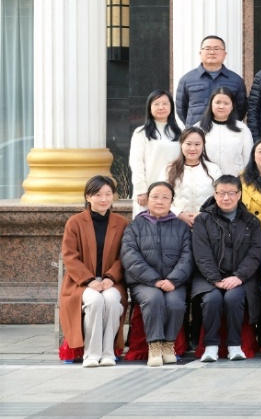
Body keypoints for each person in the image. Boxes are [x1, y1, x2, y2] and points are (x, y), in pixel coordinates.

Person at [191, 175, 261, 363]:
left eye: (231, 193)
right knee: (212, 299)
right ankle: (211, 346)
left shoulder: (251, 222)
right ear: (214, 195)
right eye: (221, 193)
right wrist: (215, 279)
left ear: (239, 194)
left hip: (240, 278)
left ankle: (234, 345)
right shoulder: (203, 220)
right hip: (208, 277)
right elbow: (201, 254)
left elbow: (254, 254)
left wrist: (239, 276)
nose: (226, 198)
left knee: (233, 298)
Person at [121, 181, 193, 367]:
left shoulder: (181, 227)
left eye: (165, 197)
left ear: (172, 201)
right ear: (147, 199)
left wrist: (173, 280)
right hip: (143, 282)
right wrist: (154, 280)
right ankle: (154, 346)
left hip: (174, 282)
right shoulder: (135, 226)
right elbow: (130, 257)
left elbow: (188, 257)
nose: (160, 201)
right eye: (155, 197)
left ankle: (168, 345)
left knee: (176, 303)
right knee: (153, 299)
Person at [59, 176, 128, 367]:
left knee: (112, 301)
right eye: (98, 195)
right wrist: (89, 280)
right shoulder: (75, 222)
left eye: (108, 194)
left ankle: (108, 353)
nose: (104, 199)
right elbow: (70, 256)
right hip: (80, 283)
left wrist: (111, 277)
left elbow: (125, 256)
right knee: (95, 301)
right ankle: (91, 354)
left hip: (111, 282)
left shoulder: (121, 223)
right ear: (88, 197)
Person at [130, 90, 182, 216]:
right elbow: (136, 163)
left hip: (174, 192)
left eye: (165, 104)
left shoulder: (180, 132)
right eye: (156, 104)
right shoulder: (141, 133)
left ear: (171, 107)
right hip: (148, 192)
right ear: (149, 107)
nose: (161, 107)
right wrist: (141, 190)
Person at [175, 35, 247, 126]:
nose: (212, 52)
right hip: (196, 131)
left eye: (217, 49)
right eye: (207, 48)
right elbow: (181, 110)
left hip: (227, 130)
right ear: (200, 53)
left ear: (225, 54)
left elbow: (241, 109)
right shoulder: (187, 79)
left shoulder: (236, 80)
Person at [161, 127, 223, 226]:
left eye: (197, 144)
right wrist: (179, 214)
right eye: (188, 144)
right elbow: (160, 197)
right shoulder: (169, 169)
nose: (192, 149)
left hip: (207, 225)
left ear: (203, 145)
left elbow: (221, 196)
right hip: (176, 224)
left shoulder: (213, 169)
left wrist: (204, 214)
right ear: (181, 144)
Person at [198, 87, 253, 177]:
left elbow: (248, 158)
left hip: (235, 180)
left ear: (232, 106)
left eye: (226, 103)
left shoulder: (242, 129)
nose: (221, 106)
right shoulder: (198, 128)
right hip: (205, 179)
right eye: (217, 102)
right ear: (211, 104)